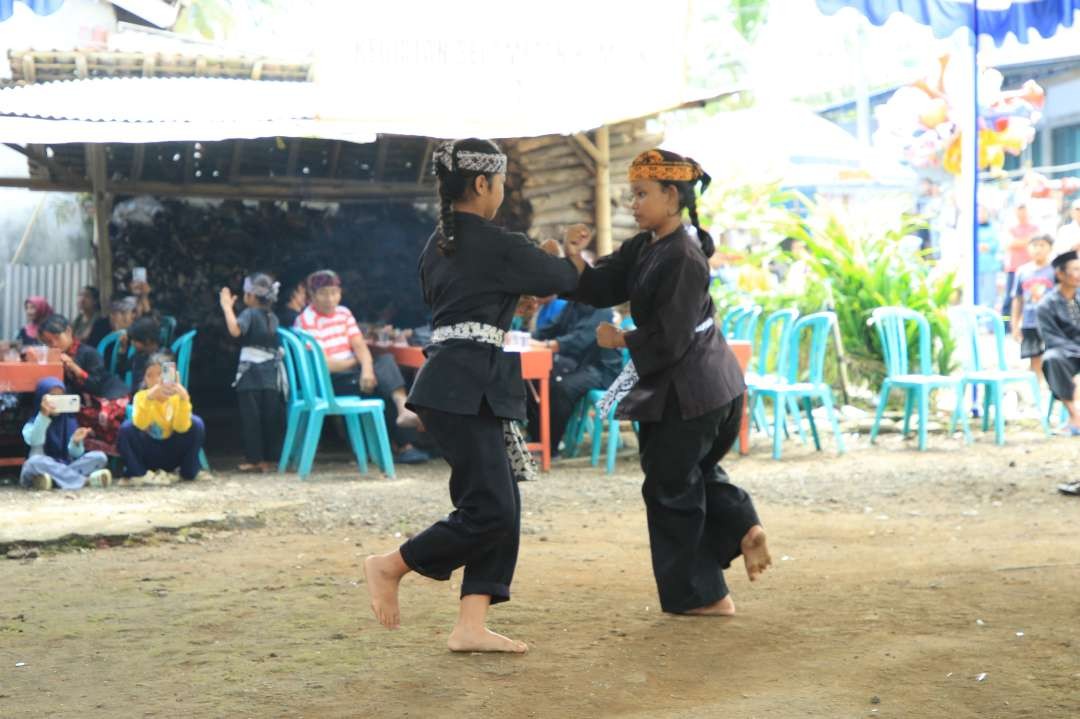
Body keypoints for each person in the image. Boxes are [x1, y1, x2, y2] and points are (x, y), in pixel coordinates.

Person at [362, 138, 579, 653]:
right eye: (500, 182)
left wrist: (515, 295)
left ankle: (471, 623)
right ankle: (391, 564)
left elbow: (471, 303)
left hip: (459, 384)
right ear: (482, 183)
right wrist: (568, 253)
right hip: (466, 386)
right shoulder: (495, 242)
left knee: (499, 503)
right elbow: (563, 278)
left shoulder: (438, 244)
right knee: (493, 510)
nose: (501, 192)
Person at [563, 149, 771, 617]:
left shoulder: (682, 255)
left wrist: (621, 338)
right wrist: (573, 258)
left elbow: (672, 339)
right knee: (685, 473)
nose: (632, 204)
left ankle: (707, 597)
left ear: (671, 196)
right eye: (631, 194)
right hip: (702, 388)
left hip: (691, 391)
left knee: (668, 486)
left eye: (641, 194)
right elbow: (600, 286)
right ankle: (742, 524)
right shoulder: (649, 246)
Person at [295, 269, 430, 464]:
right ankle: (404, 446)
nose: (330, 298)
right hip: (329, 381)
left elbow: (359, 345)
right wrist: (357, 363)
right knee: (384, 382)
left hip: (352, 373)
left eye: (334, 292)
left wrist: (366, 369)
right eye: (324, 293)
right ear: (312, 295)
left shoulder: (344, 313)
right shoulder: (306, 320)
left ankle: (403, 411)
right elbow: (323, 365)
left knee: (384, 363)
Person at [527, 297, 622, 453]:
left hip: (602, 369)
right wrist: (526, 338)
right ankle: (538, 438)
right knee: (533, 379)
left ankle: (551, 446)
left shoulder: (602, 308)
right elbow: (551, 328)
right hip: (576, 365)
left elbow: (580, 340)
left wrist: (546, 345)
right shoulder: (573, 305)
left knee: (562, 388)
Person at [38, 314, 130, 455]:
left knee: (94, 415)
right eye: (49, 342)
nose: (54, 344)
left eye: (57, 338)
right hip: (84, 401)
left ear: (68, 332)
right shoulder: (54, 358)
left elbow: (96, 384)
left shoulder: (88, 353)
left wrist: (74, 368)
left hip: (109, 395)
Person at [220, 273, 285, 473]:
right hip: (271, 373)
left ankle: (255, 459)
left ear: (250, 296)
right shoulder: (273, 317)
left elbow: (235, 330)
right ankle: (272, 458)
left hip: (250, 374)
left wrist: (226, 307)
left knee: (252, 418)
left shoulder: (249, 313)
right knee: (271, 417)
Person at [117, 351, 206, 483]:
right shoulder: (141, 397)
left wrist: (184, 399)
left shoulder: (176, 398)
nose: (155, 380)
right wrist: (150, 398)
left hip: (172, 450)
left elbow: (181, 428)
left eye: (160, 375)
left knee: (197, 423)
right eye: (149, 376)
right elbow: (140, 424)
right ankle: (138, 474)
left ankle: (188, 471)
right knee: (126, 428)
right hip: (149, 452)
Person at [20, 377, 111, 491]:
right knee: (34, 462)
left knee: (100, 457)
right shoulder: (33, 422)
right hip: (41, 465)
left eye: (60, 397)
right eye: (53, 397)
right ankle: (84, 481)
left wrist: (76, 442)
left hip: (65, 465)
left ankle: (52, 481)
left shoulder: (69, 420)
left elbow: (75, 454)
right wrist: (43, 416)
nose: (57, 401)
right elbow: (35, 441)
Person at [1011, 234, 1055, 381]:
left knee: (1053, 358)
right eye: (1035, 245)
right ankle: (1037, 391)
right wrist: (1015, 323)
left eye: (1042, 245)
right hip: (1030, 322)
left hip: (1051, 322)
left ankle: (1053, 389)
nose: (1038, 249)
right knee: (1034, 358)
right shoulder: (1022, 271)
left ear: (1050, 248)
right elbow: (1017, 299)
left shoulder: (1056, 271)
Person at [1002, 204, 1036, 327]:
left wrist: (1019, 241)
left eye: (1024, 212)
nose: (1022, 214)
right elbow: (1010, 243)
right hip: (1013, 269)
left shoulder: (1034, 228)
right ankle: (1005, 324)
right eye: (1019, 212)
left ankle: (1026, 324)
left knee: (1030, 297)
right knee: (1009, 298)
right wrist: (1027, 240)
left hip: (1030, 269)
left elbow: (1035, 241)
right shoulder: (1010, 228)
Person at [121, 316, 161, 392]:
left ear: (147, 340)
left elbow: (169, 383)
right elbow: (124, 368)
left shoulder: (165, 357)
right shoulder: (138, 355)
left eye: (135, 341)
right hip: (138, 398)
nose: (132, 343)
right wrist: (123, 349)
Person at [976, 205, 1002, 308]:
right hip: (976, 267)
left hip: (989, 267)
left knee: (989, 295)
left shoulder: (993, 228)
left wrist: (985, 247)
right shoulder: (971, 228)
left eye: (983, 212)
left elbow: (995, 245)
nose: (981, 215)